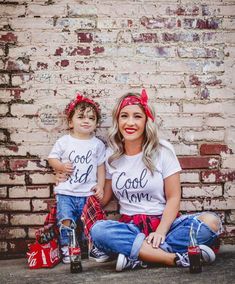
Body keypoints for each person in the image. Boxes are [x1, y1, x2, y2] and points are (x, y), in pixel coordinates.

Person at [90, 89, 223, 271]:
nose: (130, 122)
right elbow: (104, 199)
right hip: (130, 228)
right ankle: (172, 258)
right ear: (117, 120)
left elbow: (174, 197)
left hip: (166, 225)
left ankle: (139, 255)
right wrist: (77, 185)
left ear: (146, 121)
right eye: (124, 116)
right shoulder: (111, 155)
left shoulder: (162, 150)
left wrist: (160, 231)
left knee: (211, 221)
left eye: (137, 116)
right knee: (98, 230)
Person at [48, 93, 109, 264]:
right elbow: (52, 158)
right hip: (66, 192)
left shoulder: (97, 144)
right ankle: (68, 248)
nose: (86, 120)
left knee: (89, 222)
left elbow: (101, 167)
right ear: (70, 122)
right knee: (66, 220)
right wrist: (59, 167)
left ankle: (91, 248)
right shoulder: (64, 141)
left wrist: (101, 186)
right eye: (81, 117)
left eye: (91, 118)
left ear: (96, 123)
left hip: (87, 193)